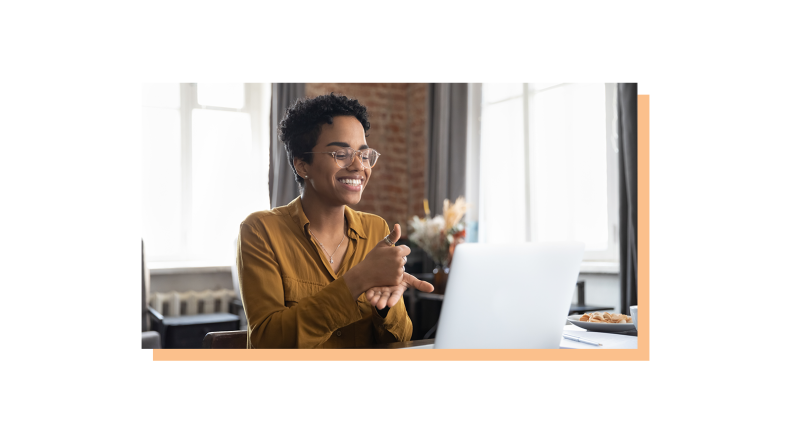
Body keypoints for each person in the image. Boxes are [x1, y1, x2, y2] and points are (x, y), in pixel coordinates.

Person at [237, 93, 434, 348]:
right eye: (341, 153)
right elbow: (268, 343)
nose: (358, 166)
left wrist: (387, 308)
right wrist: (358, 280)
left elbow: (400, 341)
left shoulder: (377, 230)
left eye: (364, 155)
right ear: (302, 165)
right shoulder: (261, 231)